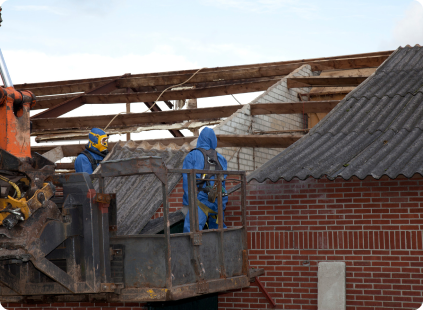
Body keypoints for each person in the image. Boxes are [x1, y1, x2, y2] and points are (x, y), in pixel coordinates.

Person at [182, 127, 228, 232]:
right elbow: (223, 182)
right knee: (218, 233)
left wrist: (188, 203)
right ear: (213, 140)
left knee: (192, 233)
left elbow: (187, 182)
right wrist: (222, 203)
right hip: (218, 202)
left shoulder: (192, 156)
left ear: (200, 139)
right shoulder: (221, 158)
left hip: (201, 201)